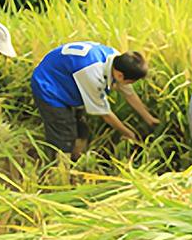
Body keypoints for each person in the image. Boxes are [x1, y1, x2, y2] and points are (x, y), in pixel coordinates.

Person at [30, 41, 159, 159]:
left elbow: (129, 93)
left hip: (69, 81)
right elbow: (104, 114)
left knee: (82, 130)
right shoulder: (93, 74)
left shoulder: (117, 59)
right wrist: (129, 134)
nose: (129, 84)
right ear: (120, 75)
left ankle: (76, 164)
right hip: (48, 85)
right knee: (64, 134)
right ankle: (59, 174)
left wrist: (149, 119)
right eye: (130, 81)